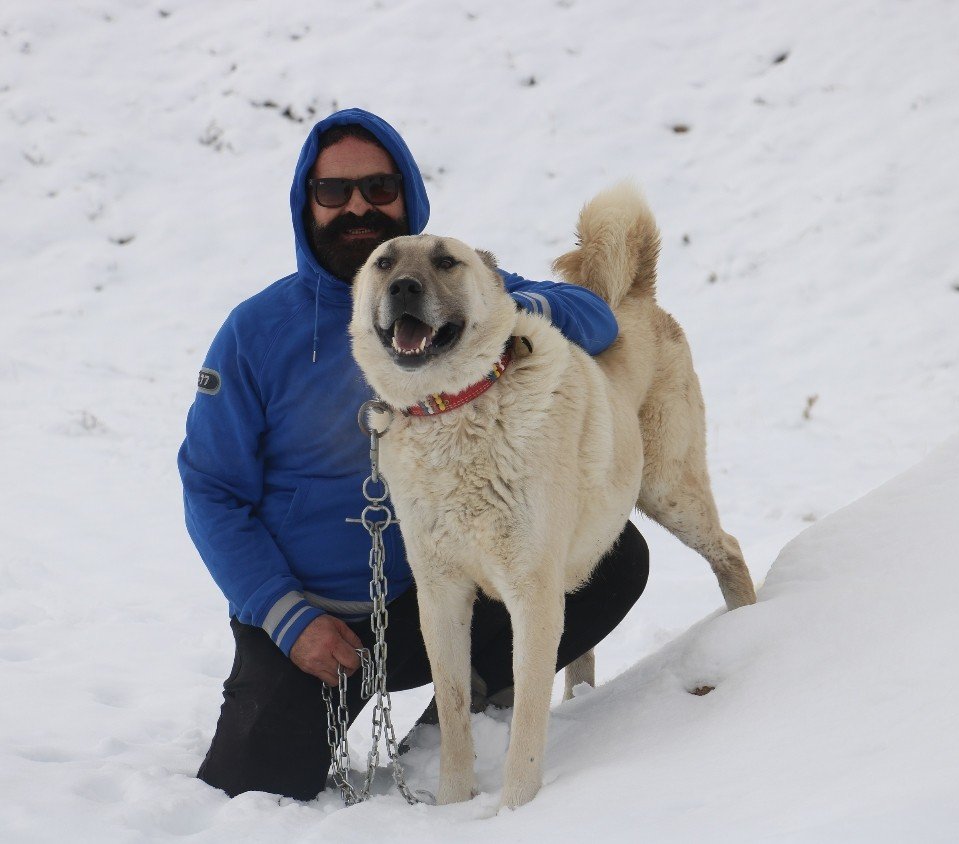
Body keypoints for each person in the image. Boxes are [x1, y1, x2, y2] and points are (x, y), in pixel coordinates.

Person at [178, 107, 649, 801]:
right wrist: (285, 616)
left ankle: (462, 714)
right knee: (253, 787)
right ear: (306, 204)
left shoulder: (455, 285)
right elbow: (212, 490)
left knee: (614, 560)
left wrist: (504, 307)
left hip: (421, 599)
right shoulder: (257, 332)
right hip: (313, 627)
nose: (358, 206)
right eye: (334, 192)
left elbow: (596, 318)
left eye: (378, 186)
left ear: (408, 194)